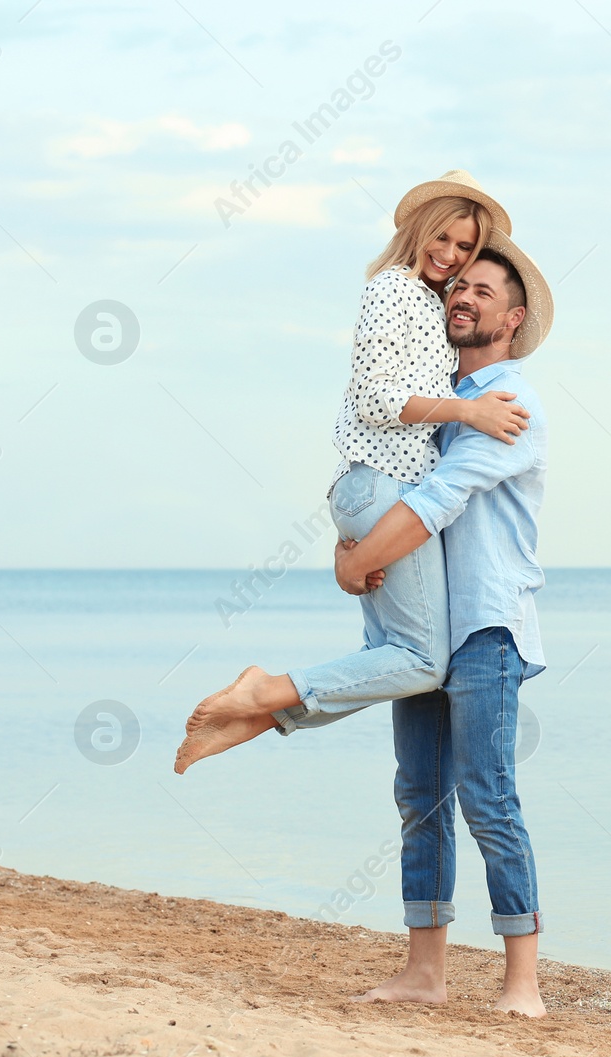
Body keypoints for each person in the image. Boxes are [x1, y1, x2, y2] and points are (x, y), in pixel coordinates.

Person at [175, 171, 529, 774]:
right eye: (440, 238)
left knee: (392, 657)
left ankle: (261, 715)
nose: (449, 256)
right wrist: (468, 409)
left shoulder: (426, 302)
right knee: (422, 662)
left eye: (464, 248)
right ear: (417, 229)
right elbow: (373, 399)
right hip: (383, 484)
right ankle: (263, 694)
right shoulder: (392, 289)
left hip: (381, 486)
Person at [332, 233, 554, 1016]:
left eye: (483, 291)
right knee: (419, 796)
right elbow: (393, 483)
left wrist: (354, 565)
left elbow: (435, 501)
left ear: (514, 317)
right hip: (428, 627)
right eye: (457, 285)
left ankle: (521, 982)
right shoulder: (442, 410)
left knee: (489, 796)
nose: (462, 296)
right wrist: (349, 542)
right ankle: (425, 972)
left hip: (487, 630)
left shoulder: (509, 405)